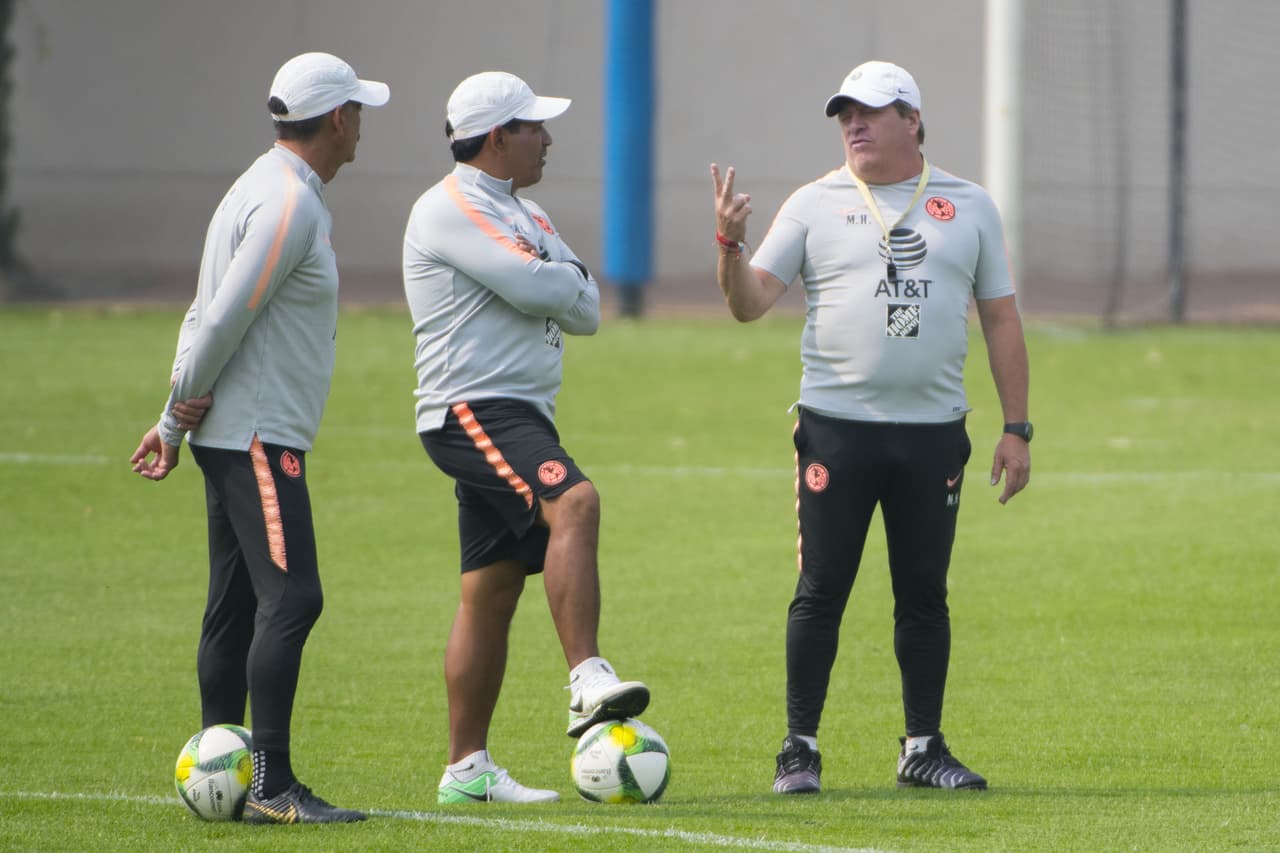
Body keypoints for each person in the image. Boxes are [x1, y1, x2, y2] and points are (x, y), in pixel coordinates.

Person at [711, 60, 1031, 794]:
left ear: (912, 120)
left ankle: (923, 747)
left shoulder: (970, 204)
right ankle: (798, 749)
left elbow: (1001, 317)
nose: (853, 124)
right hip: (838, 430)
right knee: (821, 589)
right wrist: (729, 247)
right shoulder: (813, 203)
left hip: (932, 433)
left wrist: (1018, 427)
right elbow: (749, 303)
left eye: (871, 111)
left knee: (924, 593)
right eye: (845, 113)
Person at [129, 52, 388, 823]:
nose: (362, 125)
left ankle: (225, 774)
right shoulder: (288, 202)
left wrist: (175, 415)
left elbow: (202, 310)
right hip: (255, 435)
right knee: (292, 595)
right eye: (358, 111)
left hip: (238, 430)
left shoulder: (258, 186)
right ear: (336, 118)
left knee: (236, 603)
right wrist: (174, 414)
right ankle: (271, 783)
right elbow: (223, 316)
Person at [402, 71, 650, 804]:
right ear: (497, 137)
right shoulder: (447, 208)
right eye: (534, 126)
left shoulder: (526, 212)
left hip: (520, 414)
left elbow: (588, 308)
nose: (547, 138)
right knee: (575, 500)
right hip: (473, 407)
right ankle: (587, 679)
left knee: (491, 589)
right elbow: (542, 288)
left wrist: (553, 276)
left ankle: (465, 771)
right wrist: (555, 276)